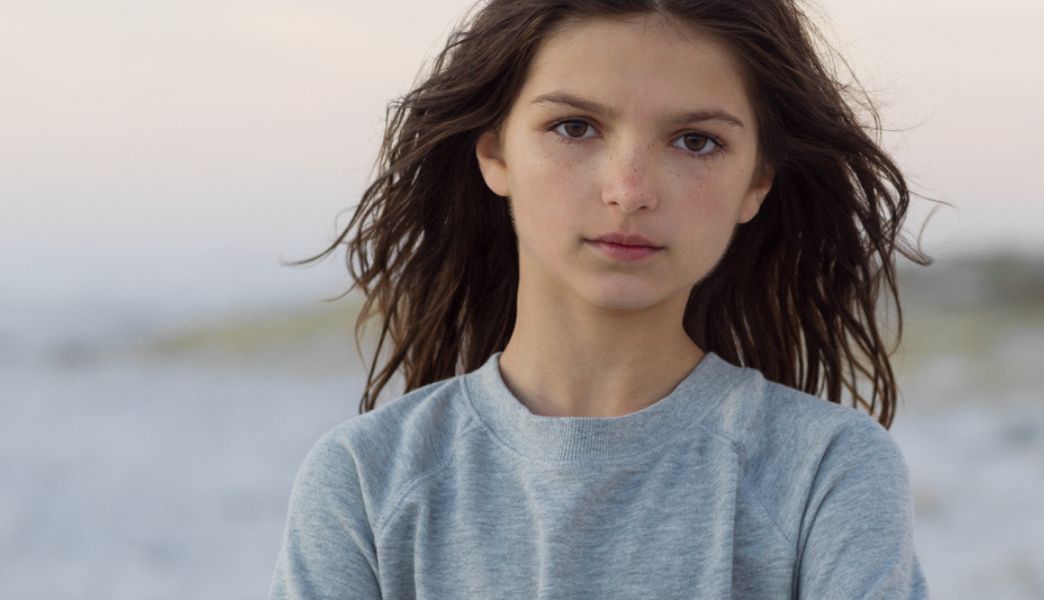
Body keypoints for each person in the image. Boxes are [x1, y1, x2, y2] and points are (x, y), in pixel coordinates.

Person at [271, 0, 935, 597]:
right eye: (574, 127)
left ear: (756, 183)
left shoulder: (826, 473)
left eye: (696, 141)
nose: (630, 189)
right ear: (495, 153)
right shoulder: (365, 480)